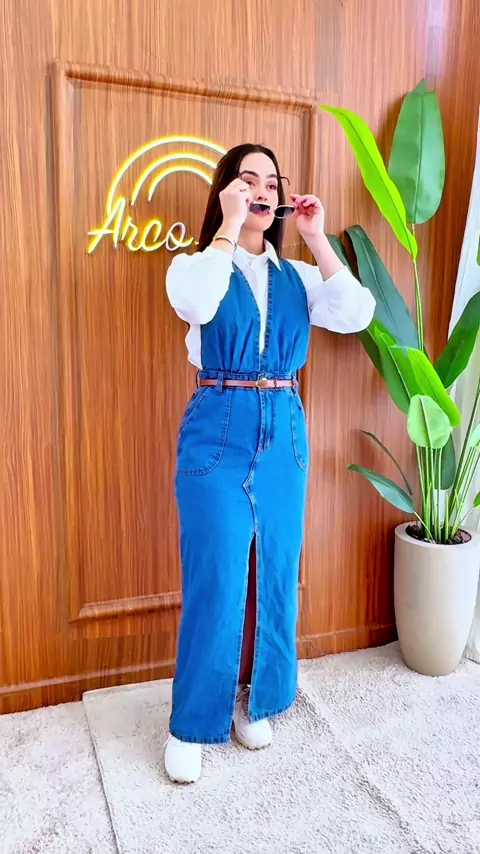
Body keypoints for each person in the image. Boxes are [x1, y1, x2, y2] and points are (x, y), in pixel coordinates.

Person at [164, 143, 375, 783]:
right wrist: (228, 227)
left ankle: (256, 699)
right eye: (246, 179)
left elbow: (357, 312)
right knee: (218, 574)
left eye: (272, 182)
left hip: (283, 430)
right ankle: (191, 722)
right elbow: (197, 303)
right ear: (226, 190)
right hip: (217, 428)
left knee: (276, 572)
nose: (261, 189)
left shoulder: (299, 277)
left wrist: (315, 237)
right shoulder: (195, 265)